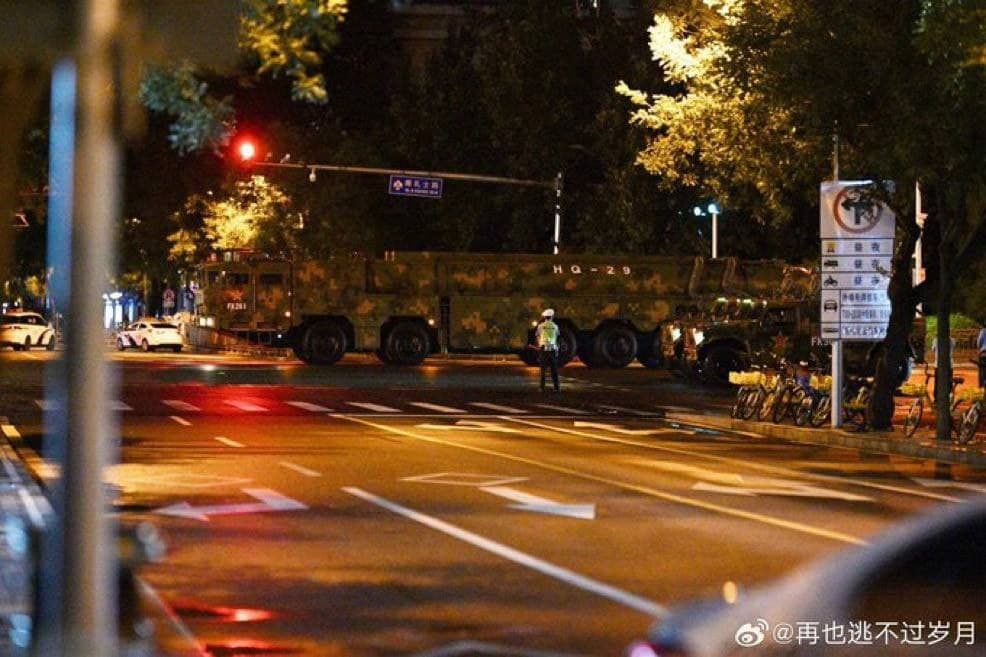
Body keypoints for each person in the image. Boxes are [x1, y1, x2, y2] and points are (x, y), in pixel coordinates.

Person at [535, 308, 560, 392]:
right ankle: (556, 388)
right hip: (552, 349)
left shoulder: (540, 326)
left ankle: (542, 388)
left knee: (543, 370)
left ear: (544, 317)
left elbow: (537, 336)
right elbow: (557, 336)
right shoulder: (555, 326)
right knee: (554, 370)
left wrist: (539, 344)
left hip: (543, 349)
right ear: (552, 317)